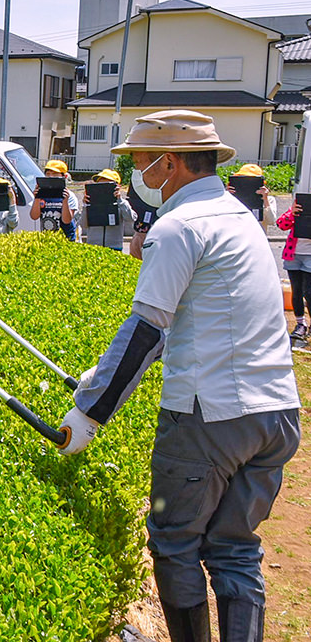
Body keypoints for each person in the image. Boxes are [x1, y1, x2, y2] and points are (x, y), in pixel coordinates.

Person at [59, 110, 301, 642]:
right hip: (277, 413)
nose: (139, 175)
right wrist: (98, 378)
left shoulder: (178, 227)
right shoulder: (238, 216)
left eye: (142, 162)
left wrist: (89, 413)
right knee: (235, 546)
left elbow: (147, 330)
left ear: (169, 164)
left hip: (209, 418)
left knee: (174, 542)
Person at [276, 199, 311, 343]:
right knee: (296, 291)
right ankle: (300, 324)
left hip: (309, 255)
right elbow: (281, 224)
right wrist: (292, 213)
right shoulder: (298, 207)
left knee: (308, 292)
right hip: (293, 255)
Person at [80, 168, 133, 251]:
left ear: (117, 186)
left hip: (114, 246)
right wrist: (85, 205)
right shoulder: (91, 203)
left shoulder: (122, 203)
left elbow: (130, 218)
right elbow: (83, 225)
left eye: (106, 185)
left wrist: (120, 200)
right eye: (100, 185)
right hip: (93, 247)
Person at [30, 159, 79, 241]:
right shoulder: (42, 195)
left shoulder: (70, 196)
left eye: (55, 174)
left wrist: (65, 201)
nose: (51, 177)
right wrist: (37, 198)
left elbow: (67, 220)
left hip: (66, 239)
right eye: (48, 174)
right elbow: (34, 216)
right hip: (47, 239)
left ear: (64, 176)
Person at [227, 163, 279, 235]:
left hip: (257, 238)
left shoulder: (269, 200)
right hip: (237, 237)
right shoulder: (232, 198)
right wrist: (227, 196)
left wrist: (265, 200)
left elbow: (271, 221)